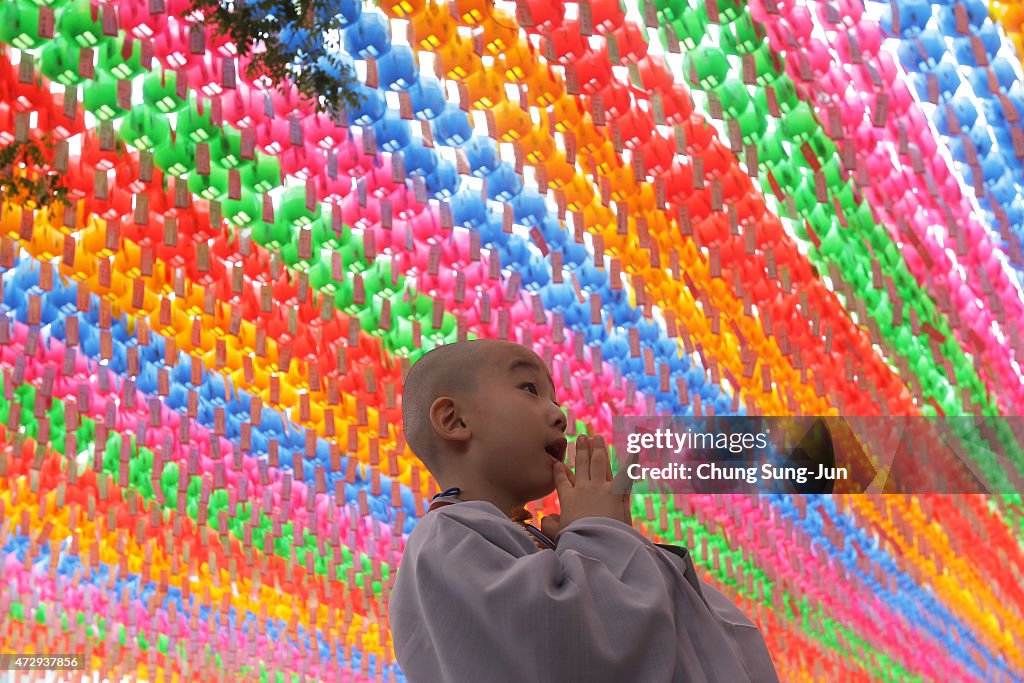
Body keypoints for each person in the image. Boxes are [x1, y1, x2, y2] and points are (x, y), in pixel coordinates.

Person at [388, 339, 780, 683]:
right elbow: (573, 653)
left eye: (555, 399)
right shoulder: (446, 540)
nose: (560, 415)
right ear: (454, 420)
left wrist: (609, 545)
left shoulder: (535, 544)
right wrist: (602, 539)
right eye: (530, 389)